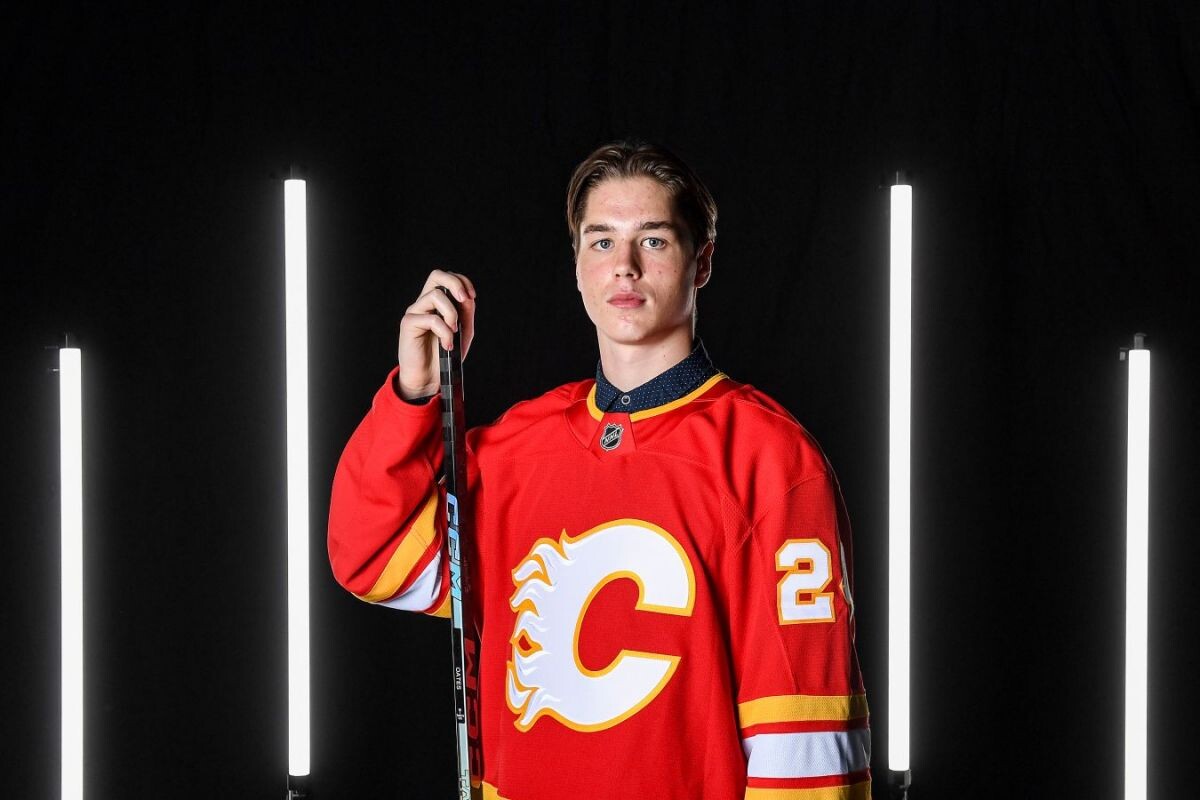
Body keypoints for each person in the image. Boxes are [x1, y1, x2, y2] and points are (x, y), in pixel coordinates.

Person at [328, 140, 871, 799]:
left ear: (702, 262)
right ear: (578, 266)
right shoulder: (513, 450)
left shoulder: (770, 457)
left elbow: (804, 743)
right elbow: (371, 556)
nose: (625, 267)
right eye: (602, 241)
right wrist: (415, 394)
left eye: (654, 240)